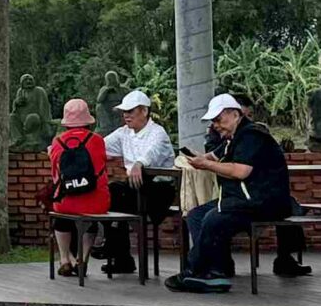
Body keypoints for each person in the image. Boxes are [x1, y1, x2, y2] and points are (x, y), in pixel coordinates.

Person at [174, 91, 308, 292]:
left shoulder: (252, 135)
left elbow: (240, 171)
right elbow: (212, 156)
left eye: (219, 119)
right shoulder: (233, 137)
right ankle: (215, 268)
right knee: (196, 215)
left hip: (263, 202)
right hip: (242, 199)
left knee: (213, 219)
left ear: (235, 114)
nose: (215, 125)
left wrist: (206, 165)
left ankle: (200, 272)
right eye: (213, 121)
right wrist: (195, 158)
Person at [98, 88, 177, 276]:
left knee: (117, 193)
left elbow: (152, 153)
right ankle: (119, 253)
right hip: (135, 188)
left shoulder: (158, 133)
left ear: (144, 111)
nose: (126, 115)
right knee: (110, 194)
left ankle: (116, 250)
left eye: (130, 111)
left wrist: (139, 163)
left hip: (159, 189)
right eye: (124, 112)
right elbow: (100, 145)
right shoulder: (124, 133)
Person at [43, 97, 110, 279]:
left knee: (61, 217)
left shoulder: (58, 142)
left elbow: (56, 175)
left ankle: (65, 259)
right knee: (91, 221)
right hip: (96, 201)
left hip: (66, 200)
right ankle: (82, 258)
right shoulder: (97, 140)